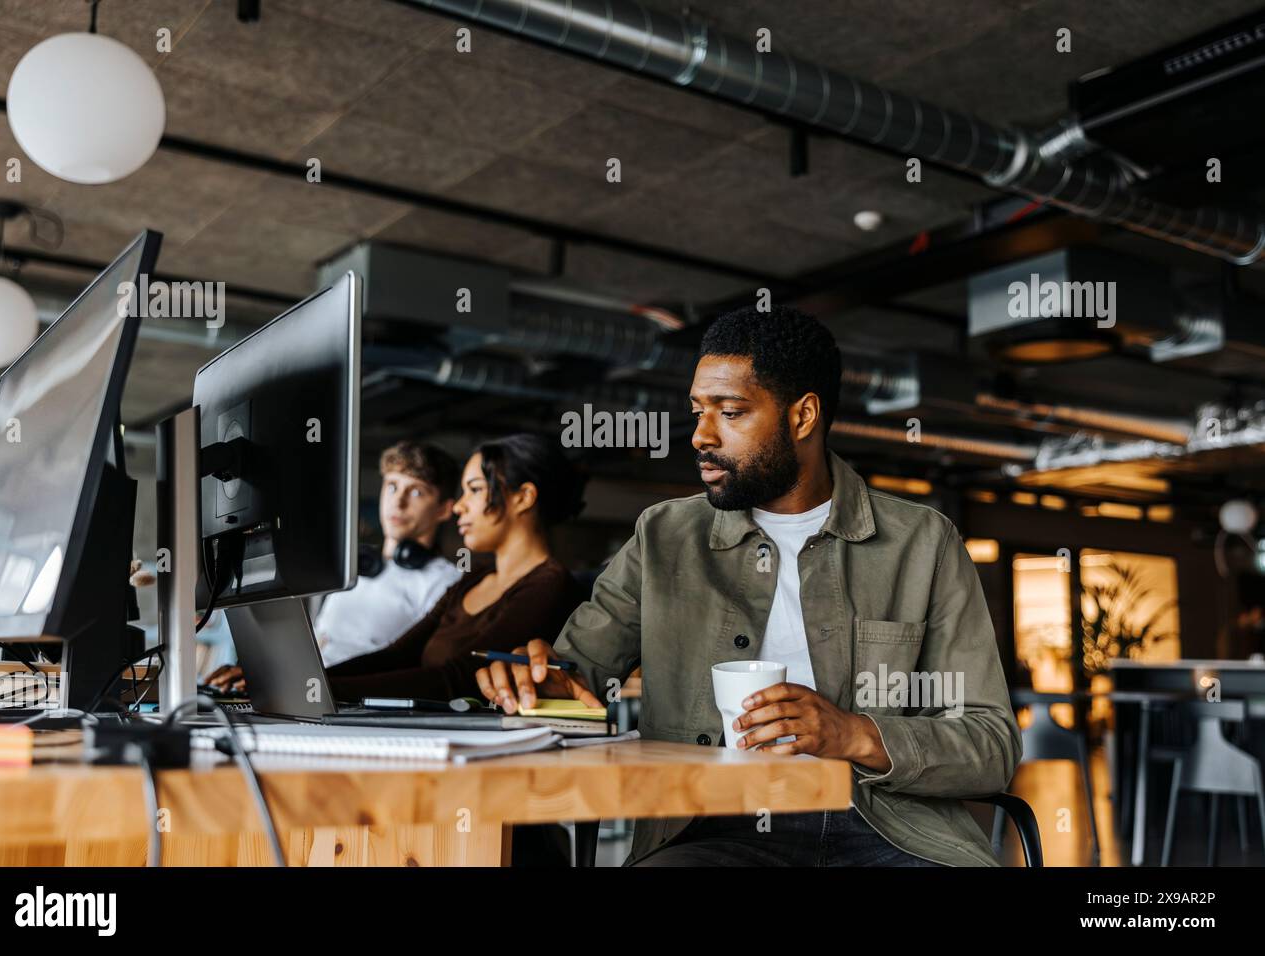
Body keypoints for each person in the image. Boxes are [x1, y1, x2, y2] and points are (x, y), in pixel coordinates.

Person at [477, 305, 1022, 867]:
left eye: (731, 413)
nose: (701, 436)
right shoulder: (664, 536)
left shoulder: (922, 543)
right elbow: (577, 675)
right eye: (697, 412)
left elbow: (991, 745)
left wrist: (852, 733)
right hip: (715, 829)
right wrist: (538, 682)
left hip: (894, 830)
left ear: (803, 416)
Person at [324, 433, 588, 702]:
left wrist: (323, 692)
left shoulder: (550, 585)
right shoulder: (473, 579)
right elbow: (396, 656)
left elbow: (461, 677)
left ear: (523, 497)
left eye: (474, 489)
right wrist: (314, 681)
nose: (460, 506)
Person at [205, 440, 462, 691]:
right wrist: (265, 672)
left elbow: (417, 666)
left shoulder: (446, 582)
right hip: (310, 689)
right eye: (393, 486)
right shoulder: (354, 565)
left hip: (349, 695)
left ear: (444, 509)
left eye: (416, 492)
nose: (399, 501)